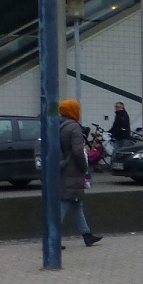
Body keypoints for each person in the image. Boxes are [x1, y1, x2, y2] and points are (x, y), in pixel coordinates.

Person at [58, 99, 103, 247]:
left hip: (63, 169)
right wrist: (84, 168)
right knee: (64, 204)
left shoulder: (59, 125)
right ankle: (52, 237)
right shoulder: (74, 127)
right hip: (73, 171)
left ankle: (87, 235)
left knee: (76, 204)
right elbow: (78, 151)